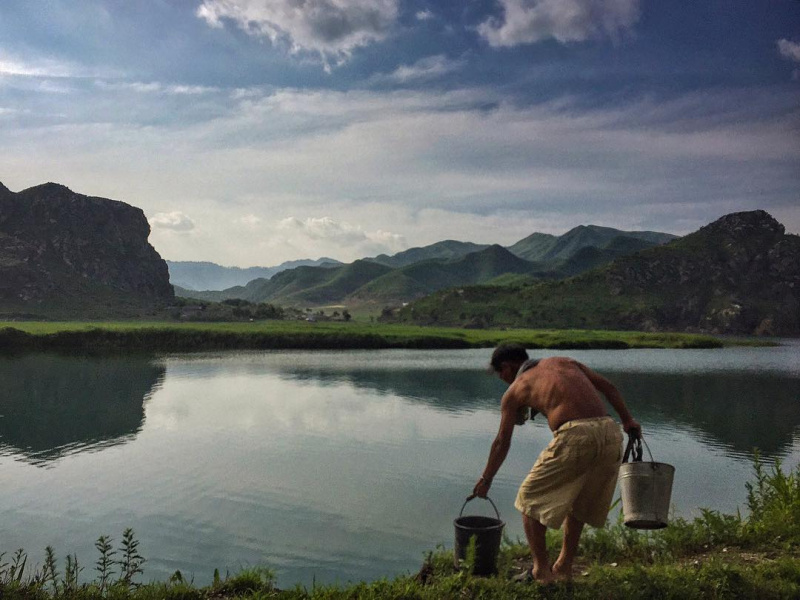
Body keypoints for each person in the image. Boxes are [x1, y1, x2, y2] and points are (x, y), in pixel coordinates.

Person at [472, 343, 641, 583]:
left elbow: (501, 442)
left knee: (528, 500)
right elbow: (609, 387)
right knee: (580, 503)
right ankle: (563, 568)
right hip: (610, 432)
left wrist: (486, 479)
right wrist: (628, 421)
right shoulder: (565, 362)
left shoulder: (517, 388)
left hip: (576, 435)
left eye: (500, 373)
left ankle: (541, 572)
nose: (501, 379)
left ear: (508, 367)